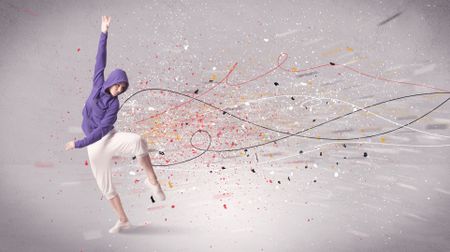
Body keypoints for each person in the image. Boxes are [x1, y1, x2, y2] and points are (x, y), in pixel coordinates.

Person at [64, 16, 166, 234]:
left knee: (139, 141)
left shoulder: (114, 106)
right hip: (94, 147)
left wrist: (78, 144)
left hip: (107, 137)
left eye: (123, 87)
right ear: (111, 81)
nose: (119, 89)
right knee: (105, 186)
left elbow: (101, 131)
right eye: (118, 85)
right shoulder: (97, 83)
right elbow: (100, 59)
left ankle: (153, 182)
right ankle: (123, 220)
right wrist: (104, 32)